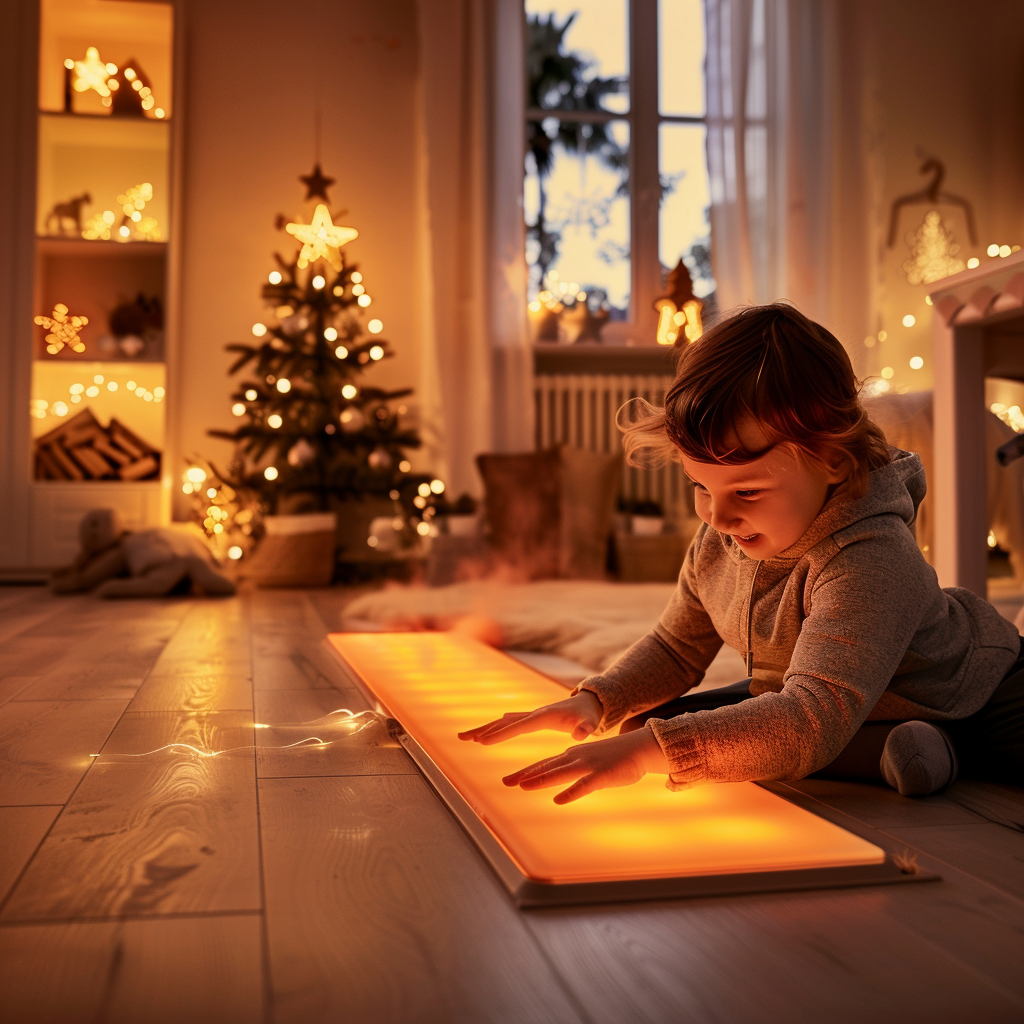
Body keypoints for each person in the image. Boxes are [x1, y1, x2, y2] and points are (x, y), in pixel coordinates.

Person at [459, 303, 1024, 803]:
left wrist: (646, 755)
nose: (718, 517)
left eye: (747, 492)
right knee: (652, 719)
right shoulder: (721, 534)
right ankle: (891, 751)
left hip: (976, 698)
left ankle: (928, 747)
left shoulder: (870, 557)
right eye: (701, 487)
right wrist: (594, 702)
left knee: (681, 741)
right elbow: (676, 647)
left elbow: (806, 718)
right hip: (827, 698)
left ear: (833, 461)